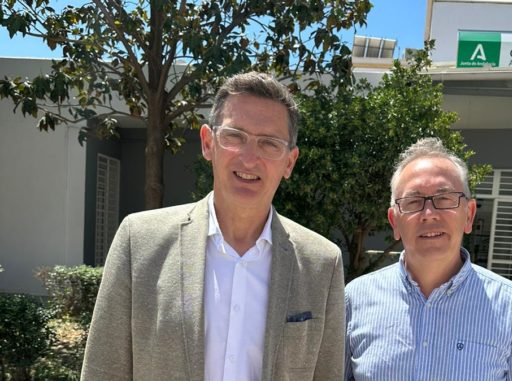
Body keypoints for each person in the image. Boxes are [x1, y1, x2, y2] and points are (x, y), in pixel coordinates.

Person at [82, 72, 345, 381]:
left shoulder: (322, 263)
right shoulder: (139, 241)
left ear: (289, 162)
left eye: (269, 143)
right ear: (208, 143)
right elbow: (104, 370)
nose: (249, 159)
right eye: (235, 136)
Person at [344, 137, 512, 381]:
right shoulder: (354, 300)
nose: (429, 214)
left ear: (469, 214)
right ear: (394, 221)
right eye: (413, 202)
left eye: (445, 199)